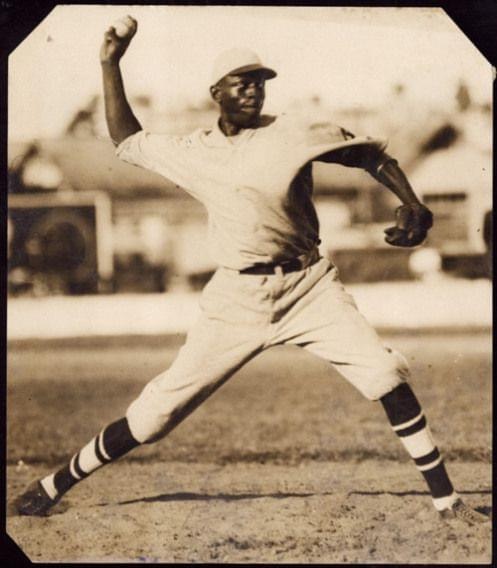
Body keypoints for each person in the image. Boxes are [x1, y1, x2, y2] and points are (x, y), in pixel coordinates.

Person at [12, 17, 488, 525]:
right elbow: (127, 139)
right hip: (237, 299)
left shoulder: (296, 129)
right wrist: (110, 64)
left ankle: (448, 503)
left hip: (310, 288)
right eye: (243, 81)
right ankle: (54, 483)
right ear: (216, 92)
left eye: (261, 81)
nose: (254, 90)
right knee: (155, 416)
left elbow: (371, 154)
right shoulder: (194, 151)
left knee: (385, 372)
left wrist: (412, 203)